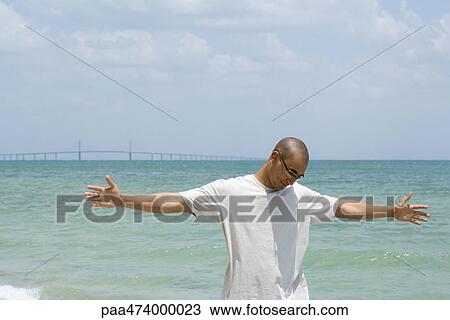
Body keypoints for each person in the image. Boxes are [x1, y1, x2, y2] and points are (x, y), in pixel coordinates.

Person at [84, 137, 430, 299]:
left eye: (300, 176)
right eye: (290, 171)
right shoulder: (229, 190)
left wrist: (391, 211)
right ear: (274, 157)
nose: (292, 180)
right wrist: (122, 200)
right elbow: (176, 202)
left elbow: (343, 208)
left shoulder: (300, 196)